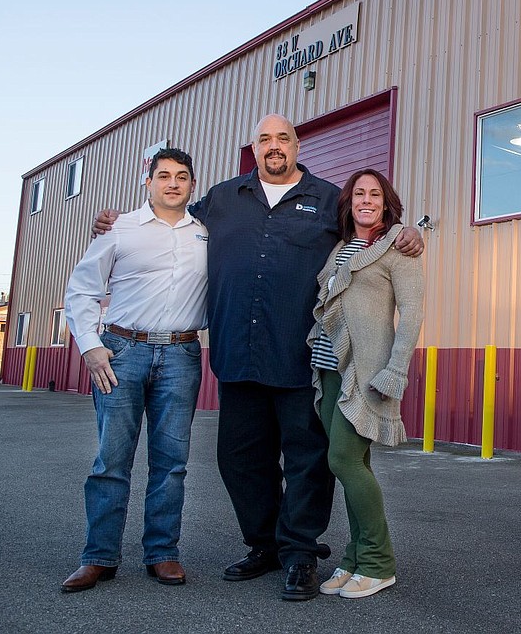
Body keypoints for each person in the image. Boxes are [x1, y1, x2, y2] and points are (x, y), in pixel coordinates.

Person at [93, 114, 423, 601]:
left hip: (300, 357)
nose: (274, 146)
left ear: (295, 145)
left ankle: (299, 553)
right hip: (237, 353)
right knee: (241, 459)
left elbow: (372, 225)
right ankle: (264, 543)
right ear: (255, 148)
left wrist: (409, 231)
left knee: (308, 461)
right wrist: (120, 219)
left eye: (283, 139)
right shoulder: (223, 198)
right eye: (265, 139)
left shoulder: (330, 198)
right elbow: (173, 218)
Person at [62, 148, 207, 592]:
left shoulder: (205, 234)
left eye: (182, 176)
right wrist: (90, 346)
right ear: (148, 182)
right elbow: (82, 290)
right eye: (164, 175)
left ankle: (163, 553)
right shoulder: (120, 229)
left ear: (192, 185)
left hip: (182, 355)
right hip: (122, 352)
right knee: (112, 460)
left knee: (172, 463)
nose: (173, 183)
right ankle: (99, 557)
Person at [308, 169, 424, 600]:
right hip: (329, 371)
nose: (366, 199)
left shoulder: (399, 247)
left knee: (343, 460)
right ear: (349, 202)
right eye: (359, 193)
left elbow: (412, 314)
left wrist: (395, 370)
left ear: (386, 201)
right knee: (354, 464)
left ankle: (379, 562)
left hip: (368, 372)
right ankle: (354, 557)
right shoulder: (340, 248)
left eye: (375, 193)